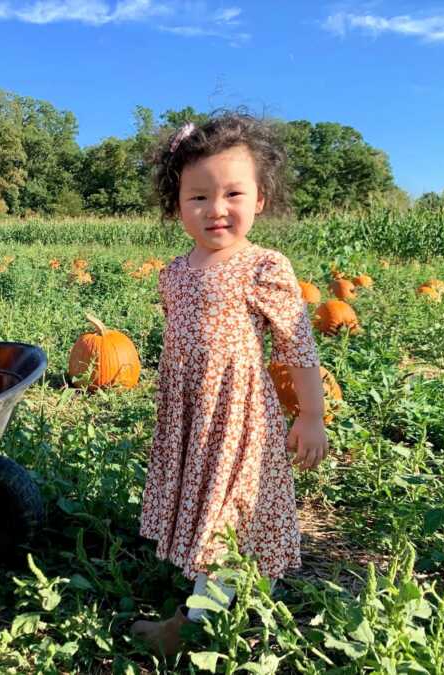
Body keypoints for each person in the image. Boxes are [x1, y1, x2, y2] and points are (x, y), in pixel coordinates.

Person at [130, 112, 329, 656]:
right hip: (191, 414)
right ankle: (233, 594)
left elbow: (298, 345)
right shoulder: (174, 272)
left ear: (260, 198)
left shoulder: (264, 267)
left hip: (239, 415)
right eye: (198, 197)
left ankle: (197, 623)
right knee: (209, 503)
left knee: (230, 509)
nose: (216, 209)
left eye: (233, 194)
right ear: (177, 206)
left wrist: (311, 415)